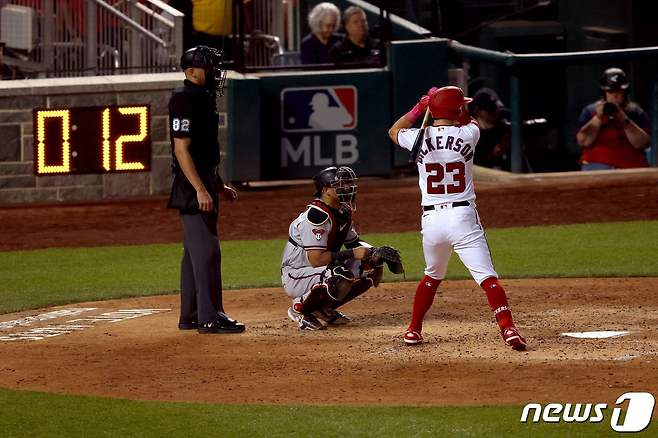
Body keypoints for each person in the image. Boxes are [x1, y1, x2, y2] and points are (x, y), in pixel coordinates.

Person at [387, 86, 527, 350]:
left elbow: (393, 131)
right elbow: (466, 118)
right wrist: (439, 105)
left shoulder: (418, 137)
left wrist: (421, 108)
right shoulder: (469, 133)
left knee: (431, 276)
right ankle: (508, 329)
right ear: (457, 109)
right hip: (462, 217)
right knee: (487, 278)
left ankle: (413, 330)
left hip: (432, 222)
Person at [167, 45, 245, 334]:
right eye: (208, 67)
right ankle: (211, 317)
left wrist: (217, 184)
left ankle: (190, 315)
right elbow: (181, 150)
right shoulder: (184, 99)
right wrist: (200, 189)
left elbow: (204, 153)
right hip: (191, 189)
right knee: (207, 253)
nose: (214, 72)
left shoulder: (203, 97)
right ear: (190, 72)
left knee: (194, 255)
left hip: (203, 184)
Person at [281, 166, 393, 330]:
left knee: (370, 265)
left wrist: (376, 253)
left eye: (348, 184)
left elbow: (354, 244)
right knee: (340, 275)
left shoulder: (342, 212)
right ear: (326, 190)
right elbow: (316, 259)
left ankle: (323, 308)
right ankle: (300, 309)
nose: (347, 188)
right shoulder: (316, 216)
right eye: (341, 185)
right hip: (297, 274)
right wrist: (353, 253)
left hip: (320, 269)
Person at [576, 67, 651, 170]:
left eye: (619, 91)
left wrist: (623, 118)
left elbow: (642, 144)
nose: (615, 96)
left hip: (630, 166)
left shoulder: (636, 112)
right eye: (611, 92)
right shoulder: (590, 111)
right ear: (604, 93)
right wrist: (598, 118)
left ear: (625, 92)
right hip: (597, 165)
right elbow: (583, 141)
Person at [470, 88, 511, 171]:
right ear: (477, 110)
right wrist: (493, 154)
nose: (496, 112)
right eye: (490, 110)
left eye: (496, 108)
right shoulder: (470, 133)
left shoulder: (503, 127)